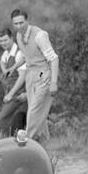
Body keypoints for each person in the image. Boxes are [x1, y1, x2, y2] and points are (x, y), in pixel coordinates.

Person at [8, 7, 58, 141]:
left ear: (27, 21)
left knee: (34, 110)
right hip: (30, 74)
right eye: (16, 24)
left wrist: (53, 82)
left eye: (21, 23)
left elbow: (53, 58)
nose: (19, 26)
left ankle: (26, 141)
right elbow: (25, 55)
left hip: (42, 72)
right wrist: (13, 67)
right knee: (36, 110)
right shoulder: (19, 36)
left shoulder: (39, 35)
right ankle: (46, 143)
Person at [0, 28, 27, 137]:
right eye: (1, 41)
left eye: (5, 40)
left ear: (12, 38)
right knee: (11, 123)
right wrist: (5, 70)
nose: (3, 43)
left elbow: (22, 77)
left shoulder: (19, 53)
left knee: (1, 121)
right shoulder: (6, 53)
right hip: (10, 93)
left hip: (17, 94)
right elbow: (1, 61)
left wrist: (10, 94)